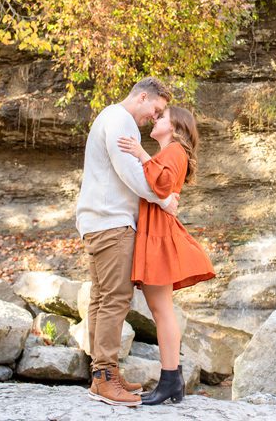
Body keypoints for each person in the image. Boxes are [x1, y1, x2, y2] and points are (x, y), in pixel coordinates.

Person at [77, 77, 179, 407]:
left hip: (98, 220)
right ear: (143, 96)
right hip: (111, 223)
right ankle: (105, 377)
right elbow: (131, 173)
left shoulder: (110, 117)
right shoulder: (120, 120)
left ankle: (102, 376)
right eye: (157, 109)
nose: (155, 115)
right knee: (115, 299)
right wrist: (164, 200)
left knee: (101, 298)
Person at [117, 105, 215, 405]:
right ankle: (173, 381)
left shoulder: (173, 151)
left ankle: (171, 380)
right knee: (161, 310)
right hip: (156, 231)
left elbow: (160, 185)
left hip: (159, 234)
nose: (156, 118)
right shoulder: (170, 151)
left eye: (162, 116)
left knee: (162, 312)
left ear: (175, 127)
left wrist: (140, 154)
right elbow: (160, 191)